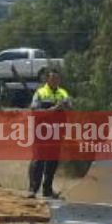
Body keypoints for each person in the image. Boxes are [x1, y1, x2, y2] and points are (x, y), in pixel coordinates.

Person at [28, 69, 71, 199]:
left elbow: (70, 108)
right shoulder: (40, 93)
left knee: (52, 161)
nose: (55, 81)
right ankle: (33, 189)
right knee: (38, 160)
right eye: (52, 78)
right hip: (42, 131)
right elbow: (35, 111)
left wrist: (65, 106)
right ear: (47, 80)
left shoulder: (63, 93)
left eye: (57, 79)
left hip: (57, 131)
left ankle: (47, 190)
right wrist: (53, 109)